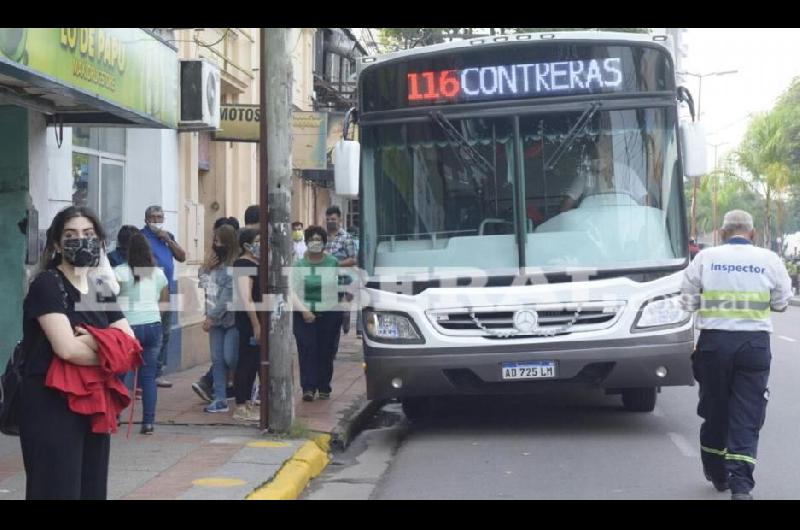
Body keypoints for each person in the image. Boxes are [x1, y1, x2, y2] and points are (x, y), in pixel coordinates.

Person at [19, 206, 135, 499]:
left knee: (91, 488)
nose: (80, 240)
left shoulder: (100, 287)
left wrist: (92, 339)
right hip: (51, 404)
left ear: (99, 241)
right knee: (57, 489)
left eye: (88, 234)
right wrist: (108, 343)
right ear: (57, 244)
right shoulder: (47, 284)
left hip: (95, 401)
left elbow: (130, 343)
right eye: (70, 235)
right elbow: (66, 349)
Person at [680, 210, 792, 500]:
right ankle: (741, 486)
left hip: (714, 344)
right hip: (754, 347)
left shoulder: (706, 258)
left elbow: (687, 300)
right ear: (752, 234)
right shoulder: (769, 259)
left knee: (715, 410)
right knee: (747, 414)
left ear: (721, 232)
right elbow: (781, 302)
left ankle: (717, 472)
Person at [114, 233, 169, 435]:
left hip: (128, 327)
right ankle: (148, 423)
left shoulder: (120, 272)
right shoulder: (157, 273)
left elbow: (109, 299)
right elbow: (164, 302)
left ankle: (115, 416)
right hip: (153, 325)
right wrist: (153, 315)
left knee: (119, 374)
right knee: (148, 378)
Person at [191, 216, 241, 403]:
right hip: (214, 319)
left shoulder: (234, 265)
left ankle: (244, 387)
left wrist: (211, 317)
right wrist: (205, 268)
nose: (215, 245)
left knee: (231, 358)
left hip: (231, 319)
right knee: (217, 360)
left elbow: (228, 296)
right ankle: (219, 398)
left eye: (218, 241)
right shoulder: (214, 264)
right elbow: (204, 285)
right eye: (214, 241)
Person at [291, 226, 342, 401]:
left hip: (329, 314)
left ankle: (324, 387)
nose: (315, 243)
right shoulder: (299, 265)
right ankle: (308, 388)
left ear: (324, 243)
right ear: (306, 243)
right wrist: (304, 311)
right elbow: (292, 291)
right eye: (312, 239)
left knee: (326, 351)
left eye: (319, 240)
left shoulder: (332, 262)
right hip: (303, 315)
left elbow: (339, 288)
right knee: (307, 350)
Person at [141, 205, 187, 389]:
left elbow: (182, 257)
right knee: (150, 332)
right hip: (147, 292)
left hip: (166, 291)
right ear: (146, 220)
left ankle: (159, 371)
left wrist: (168, 239)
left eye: (160, 217)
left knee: (165, 332)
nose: (157, 220)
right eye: (153, 217)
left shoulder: (167, 237)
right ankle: (146, 372)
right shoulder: (141, 236)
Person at [560, 136, 648, 212]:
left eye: (604, 152)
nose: (600, 157)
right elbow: (567, 203)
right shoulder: (585, 175)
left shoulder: (627, 172)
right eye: (596, 154)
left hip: (624, 225)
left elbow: (645, 200)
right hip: (594, 224)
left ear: (611, 153)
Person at [232, 229, 262, 422]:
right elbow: (246, 297)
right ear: (246, 245)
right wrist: (256, 324)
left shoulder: (256, 263)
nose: (261, 244)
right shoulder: (243, 264)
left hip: (259, 318)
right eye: (257, 241)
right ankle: (241, 404)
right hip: (249, 320)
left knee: (255, 363)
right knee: (246, 362)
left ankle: (249, 402)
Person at [325, 206, 356, 337]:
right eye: (328, 219)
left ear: (340, 220)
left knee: (337, 312)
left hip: (342, 277)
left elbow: (353, 259)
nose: (330, 221)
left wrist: (335, 263)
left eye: (333, 219)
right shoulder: (322, 236)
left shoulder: (346, 238)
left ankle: (344, 314)